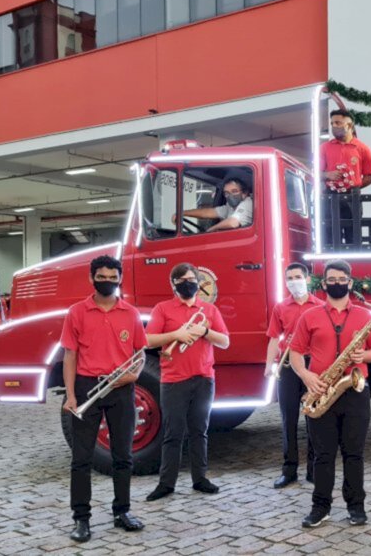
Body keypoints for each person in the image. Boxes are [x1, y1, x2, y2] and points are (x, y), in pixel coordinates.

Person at [288, 259, 371, 527]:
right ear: (323, 283)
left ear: (350, 283)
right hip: (321, 389)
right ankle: (321, 507)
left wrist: (362, 354)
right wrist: (306, 376)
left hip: (355, 390)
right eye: (332, 279)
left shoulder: (365, 316)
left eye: (342, 279)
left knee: (354, 453)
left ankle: (356, 507)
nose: (337, 283)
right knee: (323, 455)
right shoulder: (310, 316)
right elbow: (295, 352)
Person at [60, 255, 147, 543]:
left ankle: (122, 511)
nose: (107, 282)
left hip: (122, 389)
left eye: (113, 277)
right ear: (92, 278)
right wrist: (71, 395)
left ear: (120, 279)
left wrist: (134, 375)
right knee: (81, 458)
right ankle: (81, 519)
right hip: (87, 388)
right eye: (102, 277)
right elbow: (70, 355)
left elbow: (141, 353)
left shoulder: (131, 313)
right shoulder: (76, 312)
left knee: (123, 456)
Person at [145, 263, 230, 502]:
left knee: (199, 431)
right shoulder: (162, 309)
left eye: (192, 279)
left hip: (203, 378)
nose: (188, 283)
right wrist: (176, 335)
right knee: (173, 433)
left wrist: (204, 332)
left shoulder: (209, 310)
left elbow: (224, 342)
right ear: (173, 285)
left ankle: (200, 479)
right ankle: (166, 483)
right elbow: (148, 340)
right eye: (182, 280)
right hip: (173, 380)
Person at [265, 262, 324, 489]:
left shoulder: (319, 306)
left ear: (307, 279)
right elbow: (273, 337)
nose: (293, 281)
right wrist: (269, 365)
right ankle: (289, 471)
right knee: (288, 419)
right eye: (289, 278)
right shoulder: (280, 308)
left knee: (314, 418)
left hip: (313, 367)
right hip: (288, 366)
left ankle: (313, 469)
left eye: (297, 276)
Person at [320, 109, 371, 246]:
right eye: (332, 123)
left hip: (353, 197)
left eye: (338, 123)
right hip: (330, 196)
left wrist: (351, 185)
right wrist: (327, 175)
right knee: (330, 236)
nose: (334, 126)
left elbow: (368, 178)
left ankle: (354, 266)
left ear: (349, 125)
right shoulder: (324, 148)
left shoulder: (363, 149)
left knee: (354, 236)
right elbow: (315, 173)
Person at [178, 177, 253, 232]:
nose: (230, 195)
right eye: (227, 193)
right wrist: (182, 213)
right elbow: (208, 213)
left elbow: (233, 223)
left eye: (234, 191)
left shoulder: (248, 203)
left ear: (244, 193)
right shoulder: (230, 207)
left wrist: (212, 229)